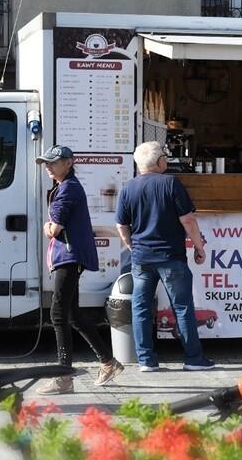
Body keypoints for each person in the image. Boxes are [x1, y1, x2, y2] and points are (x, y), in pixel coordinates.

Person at [115, 141, 214, 372]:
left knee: (141, 308)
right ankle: (193, 359)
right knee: (182, 307)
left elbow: (121, 225)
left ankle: (146, 361)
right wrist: (199, 247)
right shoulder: (171, 183)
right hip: (171, 257)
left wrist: (132, 247)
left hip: (141, 259)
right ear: (159, 162)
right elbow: (188, 220)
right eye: (165, 157)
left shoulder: (128, 188)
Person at [34, 145, 124, 394]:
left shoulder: (68, 189)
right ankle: (108, 362)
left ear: (69, 163)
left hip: (69, 256)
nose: (48, 166)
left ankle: (64, 377)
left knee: (58, 314)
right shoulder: (66, 186)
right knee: (72, 313)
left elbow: (54, 229)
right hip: (70, 255)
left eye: (53, 162)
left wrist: (46, 226)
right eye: (46, 163)